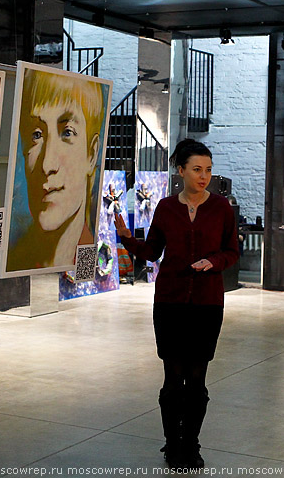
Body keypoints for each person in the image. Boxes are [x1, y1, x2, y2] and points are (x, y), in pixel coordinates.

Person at [114, 139, 239, 470]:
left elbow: (231, 252)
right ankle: (172, 445)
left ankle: (192, 445)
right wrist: (127, 238)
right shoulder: (167, 208)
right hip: (170, 302)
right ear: (180, 171)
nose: (204, 177)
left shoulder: (221, 208)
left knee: (197, 380)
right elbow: (153, 251)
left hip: (207, 304)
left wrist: (214, 262)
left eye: (208, 170)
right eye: (197, 170)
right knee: (173, 378)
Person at [7, 69, 105, 271]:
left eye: (67, 132)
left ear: (91, 154)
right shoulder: (15, 258)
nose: (47, 164)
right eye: (36, 135)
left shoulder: (91, 252)